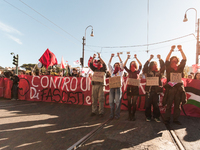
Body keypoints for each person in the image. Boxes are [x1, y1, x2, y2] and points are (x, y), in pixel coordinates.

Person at [162, 45, 187, 125]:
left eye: (175, 60)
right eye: (172, 60)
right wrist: (171, 50)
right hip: (170, 89)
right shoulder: (168, 68)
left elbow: (184, 59)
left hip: (178, 89)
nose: (174, 61)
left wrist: (181, 50)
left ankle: (175, 119)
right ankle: (167, 119)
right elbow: (166, 60)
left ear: (177, 61)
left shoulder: (180, 68)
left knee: (177, 105)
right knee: (169, 104)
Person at [143, 54, 165, 122]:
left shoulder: (159, 73)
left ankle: (156, 117)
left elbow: (163, 67)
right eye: (153, 64)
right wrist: (150, 59)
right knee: (147, 105)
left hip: (156, 91)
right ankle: (148, 116)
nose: (154, 65)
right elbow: (145, 67)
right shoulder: (148, 72)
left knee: (156, 104)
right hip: (149, 91)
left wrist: (160, 59)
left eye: (155, 64)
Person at [123, 54, 142, 121]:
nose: (132, 64)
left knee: (134, 103)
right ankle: (129, 115)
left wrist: (136, 58)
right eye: (131, 63)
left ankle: (133, 115)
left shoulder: (138, 71)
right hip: (129, 88)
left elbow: (140, 65)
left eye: (134, 63)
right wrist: (127, 58)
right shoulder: (129, 71)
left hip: (135, 88)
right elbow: (124, 66)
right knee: (129, 102)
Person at [89, 53, 107, 117]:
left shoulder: (104, 69)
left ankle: (101, 112)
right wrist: (93, 58)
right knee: (94, 98)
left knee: (101, 99)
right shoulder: (95, 69)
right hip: (94, 85)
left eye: (100, 62)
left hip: (101, 86)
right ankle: (94, 111)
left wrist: (99, 57)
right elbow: (90, 65)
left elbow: (105, 64)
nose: (99, 63)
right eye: (98, 63)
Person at [108, 53, 124, 120]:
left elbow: (122, 64)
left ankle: (117, 114)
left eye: (118, 65)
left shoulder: (121, 71)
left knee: (117, 101)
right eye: (115, 65)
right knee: (111, 101)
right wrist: (111, 57)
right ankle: (112, 114)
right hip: (112, 87)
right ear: (114, 66)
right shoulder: (112, 71)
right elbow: (108, 64)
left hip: (118, 87)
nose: (116, 66)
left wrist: (119, 56)